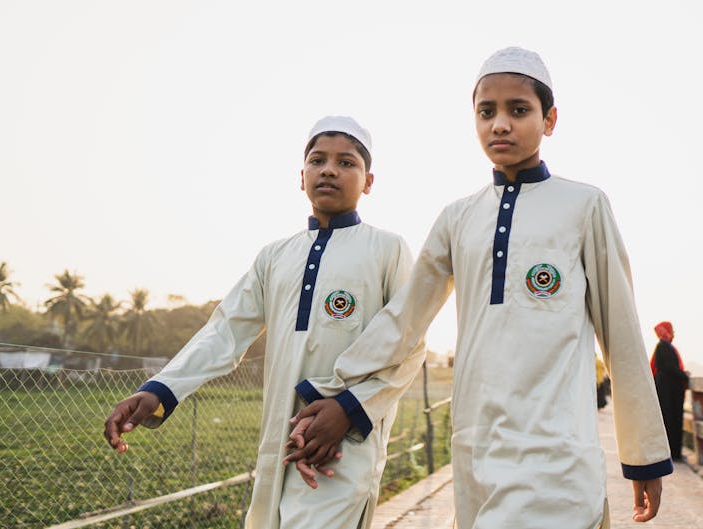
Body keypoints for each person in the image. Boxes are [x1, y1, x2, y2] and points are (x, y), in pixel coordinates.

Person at [284, 47, 673, 528]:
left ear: (549, 121)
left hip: (559, 450)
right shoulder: (458, 217)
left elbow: (622, 333)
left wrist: (644, 456)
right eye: (486, 112)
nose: (501, 124)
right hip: (476, 448)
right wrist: (344, 397)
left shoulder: (584, 205)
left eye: (519, 110)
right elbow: (404, 319)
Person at [102, 116, 423, 529]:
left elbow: (409, 344)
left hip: (344, 445)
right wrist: (159, 390)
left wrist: (348, 410)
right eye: (317, 160)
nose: (329, 169)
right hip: (279, 441)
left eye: (346, 163)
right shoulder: (275, 256)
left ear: (369, 181)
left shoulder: (388, 249)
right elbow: (225, 331)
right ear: (301, 175)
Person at [649, 321, 690, 462]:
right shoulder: (663, 346)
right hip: (668, 391)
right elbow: (669, 368)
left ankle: (671, 452)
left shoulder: (663, 346)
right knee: (671, 420)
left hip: (667, 390)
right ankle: (673, 453)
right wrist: (684, 375)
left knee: (669, 420)